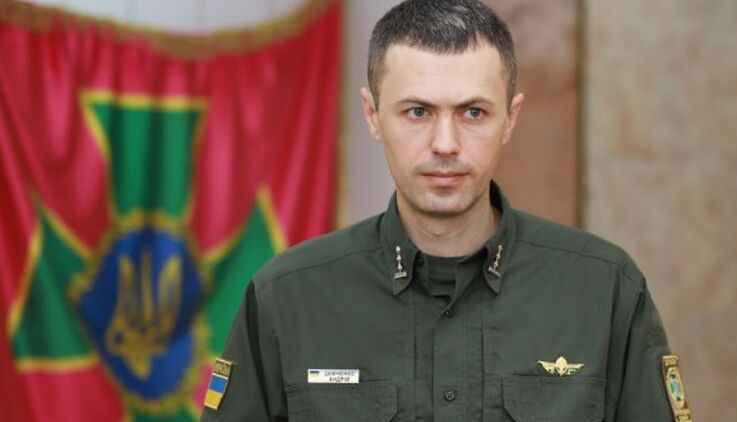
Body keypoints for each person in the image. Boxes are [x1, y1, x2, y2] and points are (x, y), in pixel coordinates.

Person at [201, 0, 691, 421]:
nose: (445, 144)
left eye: (473, 112)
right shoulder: (288, 298)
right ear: (373, 115)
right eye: (417, 112)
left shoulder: (604, 290)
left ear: (510, 118)